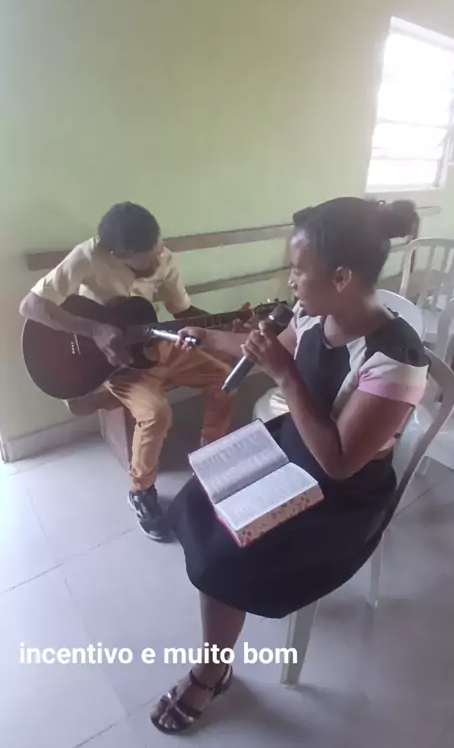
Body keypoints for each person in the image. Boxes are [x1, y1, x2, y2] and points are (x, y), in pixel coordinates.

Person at [150, 196, 429, 733]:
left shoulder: (395, 360)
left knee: (222, 558)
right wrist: (207, 336)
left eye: (299, 269)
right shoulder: (314, 313)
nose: (291, 279)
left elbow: (340, 462)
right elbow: (264, 348)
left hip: (340, 496)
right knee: (199, 502)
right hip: (294, 448)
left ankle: (212, 670)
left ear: (342, 277)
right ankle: (219, 641)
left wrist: (284, 375)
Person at [19, 202, 235, 541]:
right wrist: (94, 330)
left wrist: (222, 328)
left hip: (158, 345)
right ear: (119, 254)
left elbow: (182, 310)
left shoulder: (163, 258)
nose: (160, 255)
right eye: (150, 254)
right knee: (157, 414)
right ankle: (141, 490)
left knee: (227, 379)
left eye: (159, 245)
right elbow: (31, 306)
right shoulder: (88, 256)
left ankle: (209, 457)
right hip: (115, 363)